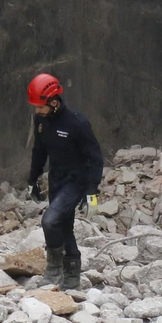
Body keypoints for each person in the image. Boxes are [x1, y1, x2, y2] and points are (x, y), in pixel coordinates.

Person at [25, 73, 104, 291]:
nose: (37, 111)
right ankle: (71, 276)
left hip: (76, 180)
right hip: (56, 179)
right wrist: (33, 180)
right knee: (64, 227)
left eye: (40, 107)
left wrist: (92, 192)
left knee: (49, 221)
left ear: (53, 102)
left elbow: (95, 158)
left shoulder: (77, 123)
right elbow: (39, 151)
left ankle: (53, 269)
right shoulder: (41, 119)